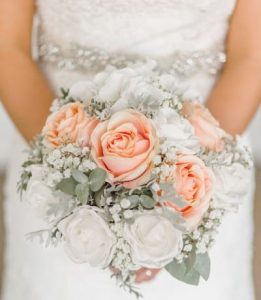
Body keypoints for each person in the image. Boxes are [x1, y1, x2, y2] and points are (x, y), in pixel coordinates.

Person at [0, 0, 260, 299]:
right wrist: (68, 177)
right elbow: (8, 47)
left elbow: (251, 58)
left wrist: (187, 187)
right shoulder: (56, 166)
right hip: (49, 143)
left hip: (207, 149)